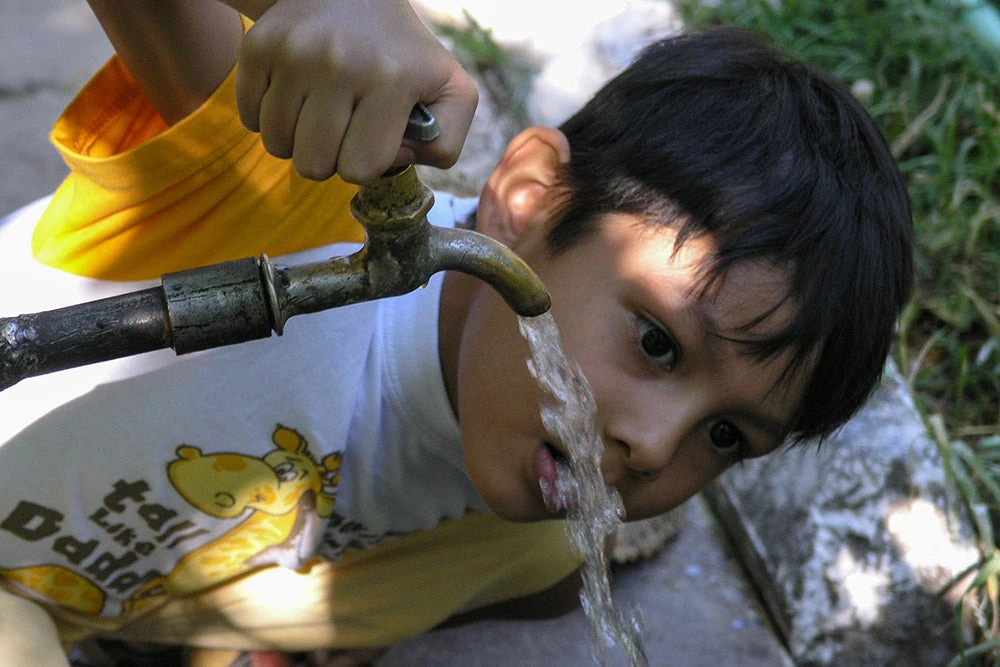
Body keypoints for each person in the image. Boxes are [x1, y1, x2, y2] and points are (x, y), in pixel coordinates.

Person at [0, 0, 913, 663]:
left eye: (726, 435)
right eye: (659, 343)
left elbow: (549, 584)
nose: (652, 443)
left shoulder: (528, 545)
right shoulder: (293, 192)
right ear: (525, 201)